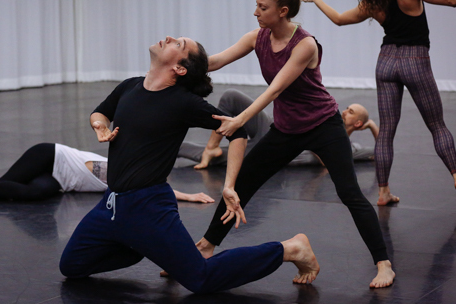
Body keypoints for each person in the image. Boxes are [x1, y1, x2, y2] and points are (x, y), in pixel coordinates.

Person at [59, 35, 320, 293]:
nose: (170, 37)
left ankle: (289, 249)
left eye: (179, 44)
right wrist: (99, 125)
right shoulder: (130, 86)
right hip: (110, 205)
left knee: (200, 278)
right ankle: (154, 248)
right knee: (72, 265)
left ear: (179, 68)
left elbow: (237, 131)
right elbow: (102, 111)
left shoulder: (182, 102)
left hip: (148, 207)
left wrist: (229, 186)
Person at [194, 0, 394, 288]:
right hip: (287, 128)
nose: (255, 12)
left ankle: (384, 263)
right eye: (256, 5)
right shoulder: (256, 38)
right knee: (243, 182)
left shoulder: (305, 45)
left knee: (350, 193)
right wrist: (181, 61)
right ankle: (206, 245)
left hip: (323, 125)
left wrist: (241, 119)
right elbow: (214, 61)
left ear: (282, 11)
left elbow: (275, 90)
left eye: (262, 7)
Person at [303, 0, 456, 208]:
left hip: (385, 62)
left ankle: (383, 192)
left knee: (386, 131)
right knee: (437, 126)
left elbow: (339, 19)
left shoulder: (372, 4)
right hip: (415, 60)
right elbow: (452, 0)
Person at [0, 143, 215, 204]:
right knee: (3, 186)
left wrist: (188, 195)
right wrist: (186, 195)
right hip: (50, 156)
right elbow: (158, 189)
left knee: (30, 194)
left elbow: (159, 191)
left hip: (58, 181)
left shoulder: (132, 183)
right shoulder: (121, 172)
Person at [179, 89, 378, 168]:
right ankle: (210, 147)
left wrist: (371, 126)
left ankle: (176, 148)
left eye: (350, 112)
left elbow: (378, 153)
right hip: (272, 131)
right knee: (231, 98)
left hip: (273, 153)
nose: (344, 111)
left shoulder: (349, 149)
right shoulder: (325, 125)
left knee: (220, 157)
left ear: (358, 123)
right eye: (347, 108)